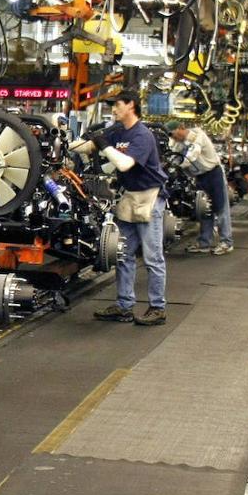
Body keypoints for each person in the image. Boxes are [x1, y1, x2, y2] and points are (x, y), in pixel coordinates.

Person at [89, 90, 169, 326]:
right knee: (123, 254)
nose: (113, 109)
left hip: (149, 198)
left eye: (117, 104)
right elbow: (88, 148)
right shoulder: (117, 131)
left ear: (130, 105)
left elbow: (123, 164)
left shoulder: (142, 135)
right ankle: (124, 306)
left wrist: (103, 145)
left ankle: (158, 308)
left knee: (153, 257)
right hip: (129, 198)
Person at [166, 119, 233, 255]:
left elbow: (193, 154)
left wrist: (179, 163)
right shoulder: (176, 142)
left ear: (181, 127)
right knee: (203, 210)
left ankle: (226, 242)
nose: (173, 137)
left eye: (173, 134)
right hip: (200, 177)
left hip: (214, 174)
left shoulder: (198, 135)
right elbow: (173, 154)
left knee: (220, 209)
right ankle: (204, 243)